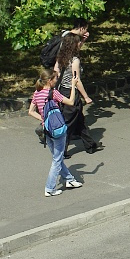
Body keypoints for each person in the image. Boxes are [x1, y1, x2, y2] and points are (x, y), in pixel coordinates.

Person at [28, 67, 83, 197]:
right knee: (57, 160)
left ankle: (69, 180)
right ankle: (50, 188)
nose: (57, 80)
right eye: (56, 78)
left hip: (47, 130)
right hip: (58, 129)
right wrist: (73, 86)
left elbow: (30, 112)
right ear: (50, 80)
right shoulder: (53, 93)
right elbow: (70, 102)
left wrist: (44, 119)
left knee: (57, 157)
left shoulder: (37, 93)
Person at [36, 18, 90, 146]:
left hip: (61, 83)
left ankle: (84, 139)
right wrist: (86, 96)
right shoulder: (69, 39)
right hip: (65, 85)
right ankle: (50, 133)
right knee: (65, 114)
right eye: (86, 29)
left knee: (70, 112)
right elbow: (68, 62)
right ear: (81, 28)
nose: (86, 32)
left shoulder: (66, 36)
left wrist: (83, 40)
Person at [56, 31, 102, 154]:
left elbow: (56, 72)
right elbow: (77, 80)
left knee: (79, 120)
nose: (79, 44)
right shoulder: (75, 61)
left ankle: (90, 145)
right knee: (69, 123)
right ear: (73, 45)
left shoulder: (61, 57)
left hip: (62, 91)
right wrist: (86, 97)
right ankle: (61, 150)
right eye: (78, 43)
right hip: (72, 92)